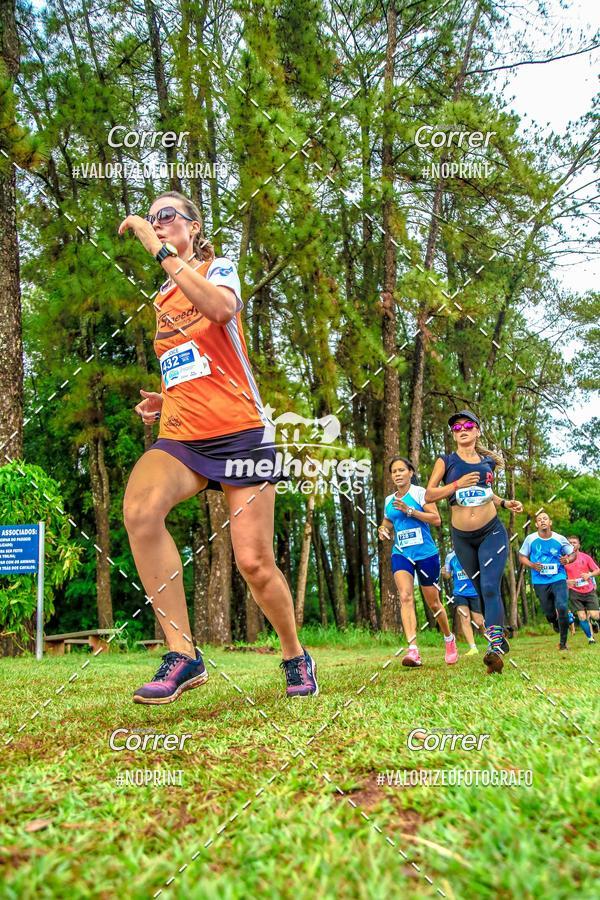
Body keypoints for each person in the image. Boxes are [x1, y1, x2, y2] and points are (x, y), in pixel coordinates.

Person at [118, 191, 317, 703]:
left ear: (194, 226)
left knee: (254, 562)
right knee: (140, 509)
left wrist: (160, 252)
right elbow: (195, 361)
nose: (159, 223)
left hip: (241, 432)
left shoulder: (217, 267)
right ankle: (183, 655)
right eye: (154, 217)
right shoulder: (162, 301)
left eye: (169, 216)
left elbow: (221, 310)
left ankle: (295, 654)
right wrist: (166, 398)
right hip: (183, 435)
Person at [425, 410, 523, 674]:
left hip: (491, 532)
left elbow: (486, 494)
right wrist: (455, 484)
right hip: (462, 538)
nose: (462, 429)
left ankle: (493, 647)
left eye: (468, 425)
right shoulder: (446, 461)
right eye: (456, 427)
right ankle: (499, 638)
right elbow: (429, 494)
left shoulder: (487, 463)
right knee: (480, 589)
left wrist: (504, 502)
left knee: (490, 586)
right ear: (454, 434)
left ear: (477, 430)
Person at [378, 456, 458, 668]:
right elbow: (388, 521)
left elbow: (436, 520)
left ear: (410, 472)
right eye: (394, 471)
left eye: (401, 470)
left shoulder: (420, 493)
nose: (397, 474)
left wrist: (410, 510)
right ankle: (413, 650)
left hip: (425, 554)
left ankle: (449, 639)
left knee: (433, 602)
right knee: (405, 596)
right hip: (401, 552)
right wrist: (383, 530)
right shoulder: (389, 500)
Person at [519, 514, 575, 652]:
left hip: (558, 577)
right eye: (539, 520)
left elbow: (573, 553)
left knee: (562, 606)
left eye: (545, 519)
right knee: (549, 612)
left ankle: (563, 643)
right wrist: (532, 565)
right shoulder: (530, 539)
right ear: (537, 525)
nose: (542, 521)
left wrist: (567, 560)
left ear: (550, 522)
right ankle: (554, 621)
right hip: (539, 580)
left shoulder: (559, 539)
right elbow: (521, 556)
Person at [442, 550, 484, 655]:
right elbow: (447, 575)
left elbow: (483, 568)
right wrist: (444, 573)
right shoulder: (450, 557)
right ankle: (473, 647)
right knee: (465, 619)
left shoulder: (473, 552)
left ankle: (492, 643)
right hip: (459, 593)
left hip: (475, 591)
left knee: (479, 621)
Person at [565, 536, 599, 644]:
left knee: (594, 615)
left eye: (574, 542)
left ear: (578, 545)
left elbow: (597, 570)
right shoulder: (563, 560)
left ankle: (594, 621)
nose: (572, 544)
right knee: (581, 616)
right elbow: (557, 576)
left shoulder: (586, 557)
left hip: (589, 590)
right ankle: (590, 639)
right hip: (574, 591)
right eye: (569, 543)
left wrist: (589, 574)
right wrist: (566, 581)